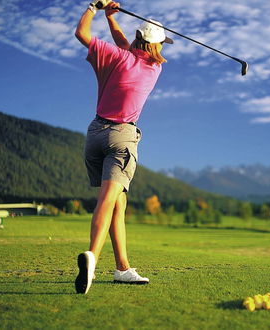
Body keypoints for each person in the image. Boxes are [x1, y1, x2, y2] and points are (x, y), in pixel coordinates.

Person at [74, 0, 173, 294]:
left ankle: (122, 268)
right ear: (156, 47)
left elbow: (82, 33)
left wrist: (97, 9)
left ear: (137, 40)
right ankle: (92, 256)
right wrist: (110, 19)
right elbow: (130, 49)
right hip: (122, 139)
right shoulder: (155, 68)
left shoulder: (115, 57)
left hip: (94, 133)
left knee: (118, 202)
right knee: (108, 199)